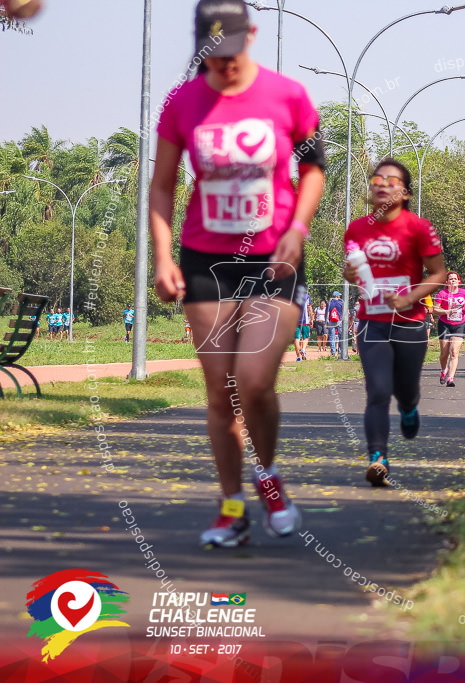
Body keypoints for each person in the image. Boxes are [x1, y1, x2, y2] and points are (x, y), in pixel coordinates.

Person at [149, 0, 325, 547]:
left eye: (231, 52)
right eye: (212, 53)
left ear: (251, 35)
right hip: (207, 260)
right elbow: (162, 185)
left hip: (275, 256)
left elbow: (314, 167)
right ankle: (231, 506)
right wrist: (162, 255)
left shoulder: (288, 96)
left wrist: (297, 227)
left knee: (254, 382)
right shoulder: (183, 101)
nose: (222, 65)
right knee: (221, 393)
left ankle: (268, 475)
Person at [344, 157, 445, 486]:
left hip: (410, 323)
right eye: (376, 180)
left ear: (405, 192)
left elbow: (439, 274)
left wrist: (408, 297)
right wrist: (349, 272)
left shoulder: (419, 227)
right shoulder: (358, 228)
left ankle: (410, 407)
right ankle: (378, 458)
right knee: (378, 391)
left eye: (391, 180)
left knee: (405, 390)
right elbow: (353, 269)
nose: (382, 185)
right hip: (371, 322)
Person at [434, 271, 465, 387]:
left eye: (455, 279)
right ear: (447, 282)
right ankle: (444, 370)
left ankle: (450, 378)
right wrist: (446, 311)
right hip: (445, 324)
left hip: (459, 324)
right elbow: (435, 310)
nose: (453, 280)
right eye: (450, 279)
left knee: (454, 352)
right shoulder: (442, 294)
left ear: (458, 281)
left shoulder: (464, 292)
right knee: (444, 353)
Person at [293, 290, 312, 361]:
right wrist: (312, 319)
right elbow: (309, 309)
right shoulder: (307, 297)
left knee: (296, 339)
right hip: (305, 321)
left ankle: (298, 357)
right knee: (306, 337)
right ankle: (303, 349)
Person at [326, 290, 344, 357]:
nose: (340, 296)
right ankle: (339, 350)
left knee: (331, 336)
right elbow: (343, 312)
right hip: (339, 320)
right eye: (339, 295)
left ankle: (333, 351)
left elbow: (327, 313)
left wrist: (327, 321)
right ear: (337, 296)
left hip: (331, 321)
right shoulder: (341, 303)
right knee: (340, 336)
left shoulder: (329, 303)